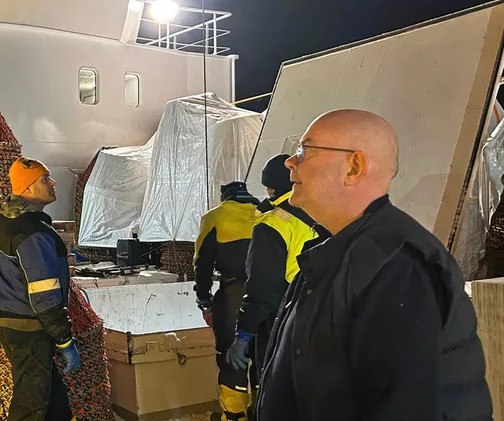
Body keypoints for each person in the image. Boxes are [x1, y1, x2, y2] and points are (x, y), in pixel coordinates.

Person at [255, 109, 493, 420]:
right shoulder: (341, 254)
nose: (290, 161)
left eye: (304, 150)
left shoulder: (398, 267)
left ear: (354, 167)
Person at [226, 154, 319, 413]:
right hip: (321, 316)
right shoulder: (326, 214)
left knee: (272, 391)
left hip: (281, 320)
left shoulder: (273, 223)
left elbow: (262, 289)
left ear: (270, 186)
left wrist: (244, 333)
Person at [0, 157, 81, 421]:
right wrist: (64, 340)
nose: (52, 183)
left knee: (54, 404)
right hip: (30, 328)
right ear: (27, 188)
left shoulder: (10, 220)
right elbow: (44, 295)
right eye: (45, 179)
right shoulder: (31, 231)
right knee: (32, 407)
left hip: (19, 325)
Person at [193, 181, 261, 421]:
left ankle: (233, 415)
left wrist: (204, 299)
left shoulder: (215, 217)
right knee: (263, 356)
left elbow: (202, 262)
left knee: (232, 356)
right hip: (268, 295)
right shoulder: (266, 214)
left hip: (233, 295)